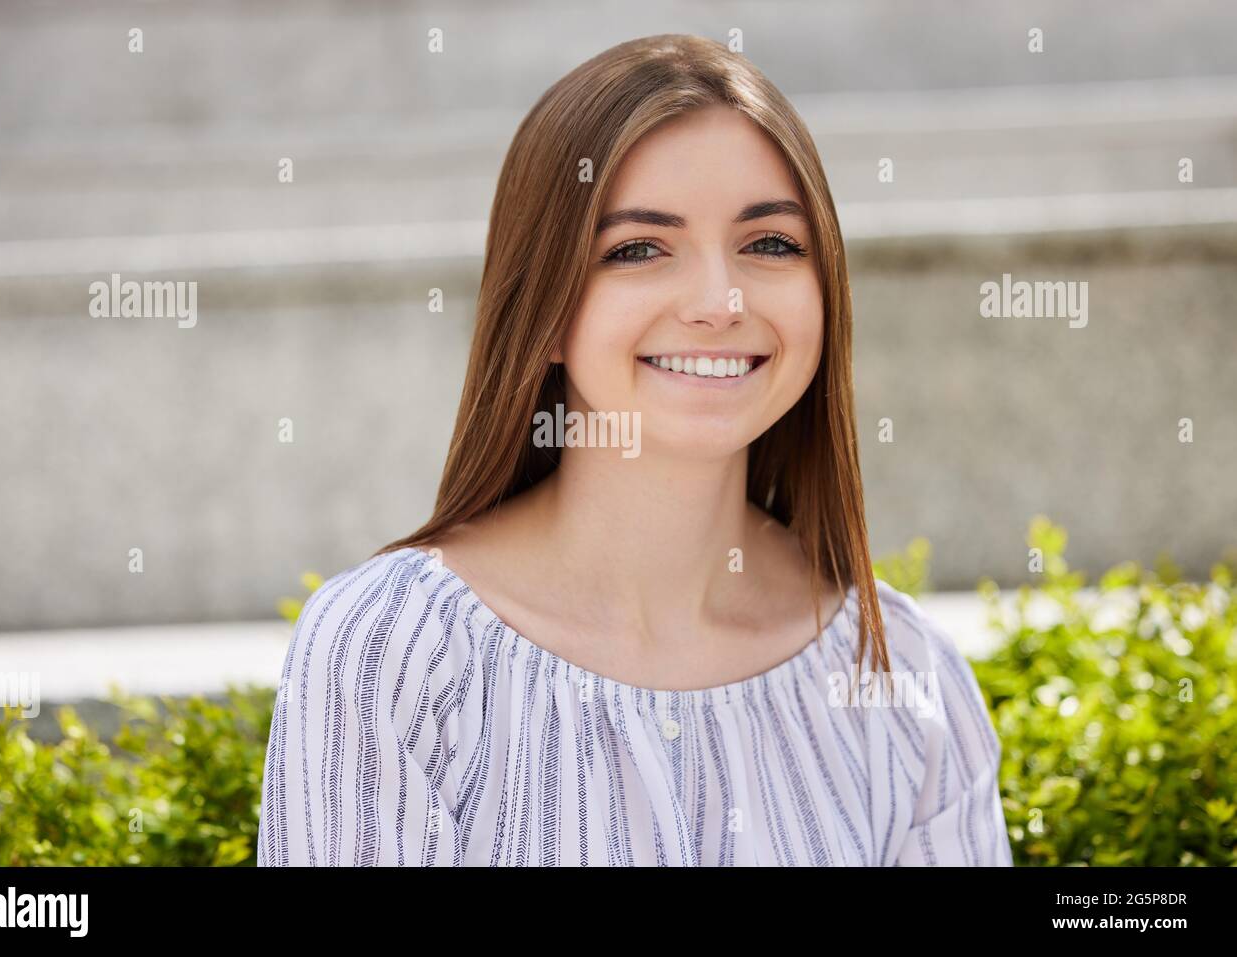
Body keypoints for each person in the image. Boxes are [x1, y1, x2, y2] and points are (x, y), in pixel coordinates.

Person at [258, 33, 1011, 867]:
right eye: (638, 249)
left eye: (769, 244)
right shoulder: (392, 652)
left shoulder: (901, 675)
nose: (719, 303)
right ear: (543, 312)